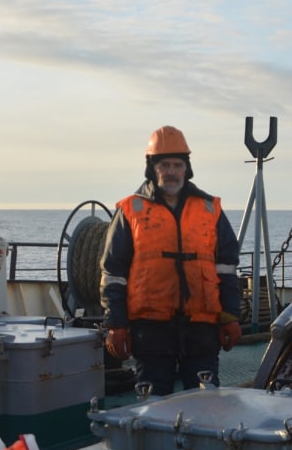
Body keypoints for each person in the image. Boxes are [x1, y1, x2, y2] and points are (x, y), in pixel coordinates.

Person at [101, 125, 242, 395]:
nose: (171, 171)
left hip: (201, 328)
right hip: (150, 329)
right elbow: (113, 273)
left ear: (187, 169)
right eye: (164, 165)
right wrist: (116, 324)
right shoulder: (131, 210)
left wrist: (230, 317)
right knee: (153, 403)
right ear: (152, 168)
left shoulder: (210, 209)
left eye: (177, 165)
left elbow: (226, 269)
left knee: (206, 401)